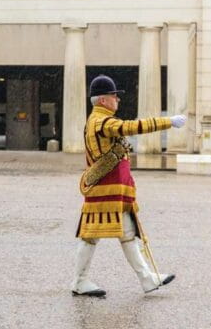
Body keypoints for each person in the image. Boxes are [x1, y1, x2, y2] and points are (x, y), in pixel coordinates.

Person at [71, 74, 184, 297]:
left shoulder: (97, 119)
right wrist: (167, 121)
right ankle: (80, 281)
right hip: (106, 191)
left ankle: (146, 279)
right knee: (94, 235)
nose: (118, 100)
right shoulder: (102, 121)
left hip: (110, 191)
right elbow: (133, 127)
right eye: (114, 96)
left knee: (119, 234)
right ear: (103, 100)